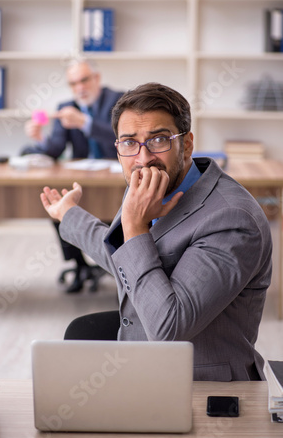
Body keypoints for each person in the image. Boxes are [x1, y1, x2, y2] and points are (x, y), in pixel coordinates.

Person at [40, 82, 272, 381]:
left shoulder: (231, 219)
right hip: (140, 367)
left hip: (203, 389)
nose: (142, 157)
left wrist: (134, 225)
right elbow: (124, 259)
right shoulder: (148, 185)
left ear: (186, 144)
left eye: (159, 139)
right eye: (129, 142)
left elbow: (168, 328)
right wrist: (68, 215)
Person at [21, 58, 124, 293]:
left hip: (116, 179)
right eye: (73, 83)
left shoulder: (119, 100)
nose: (80, 87)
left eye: (84, 80)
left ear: (96, 78)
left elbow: (122, 137)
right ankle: (79, 265)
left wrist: (85, 123)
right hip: (83, 180)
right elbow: (55, 150)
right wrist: (40, 139)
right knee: (58, 203)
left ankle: (115, 265)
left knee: (113, 211)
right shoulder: (66, 106)